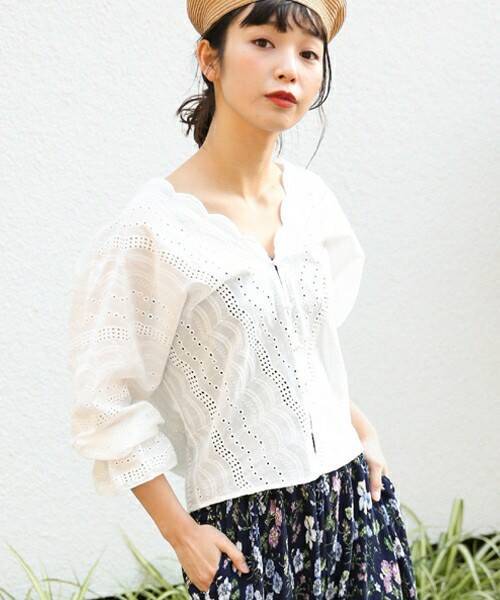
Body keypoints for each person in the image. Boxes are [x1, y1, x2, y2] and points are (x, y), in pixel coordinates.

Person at [67, 1, 419, 598]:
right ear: (210, 59)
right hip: (247, 529)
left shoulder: (311, 202)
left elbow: (298, 354)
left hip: (355, 504)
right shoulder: (155, 229)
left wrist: (363, 431)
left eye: (308, 54)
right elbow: (104, 402)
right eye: (263, 42)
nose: (288, 69)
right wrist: (182, 535)